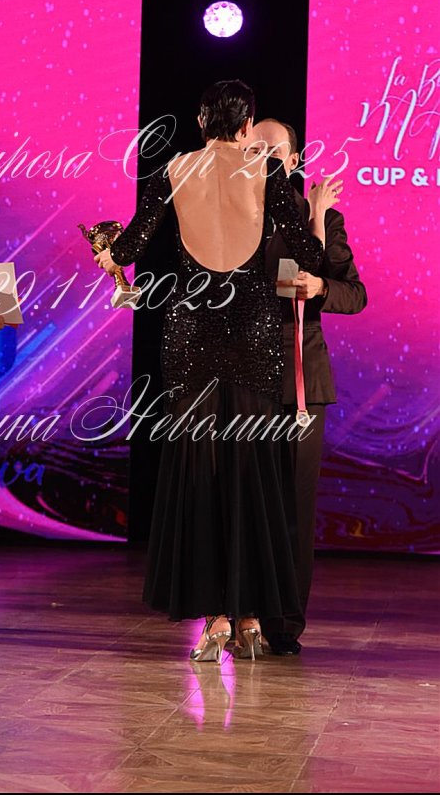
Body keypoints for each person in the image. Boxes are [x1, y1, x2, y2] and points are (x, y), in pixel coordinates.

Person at [95, 81, 340, 661]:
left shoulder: (173, 170)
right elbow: (310, 257)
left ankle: (215, 622)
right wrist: (318, 214)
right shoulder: (268, 172)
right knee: (252, 473)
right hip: (254, 335)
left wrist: (107, 251)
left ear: (201, 120)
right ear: (247, 122)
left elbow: (129, 247)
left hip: (193, 336)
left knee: (199, 472)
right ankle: (251, 617)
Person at [251, 118, 367, 655]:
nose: (262, 160)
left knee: (293, 506)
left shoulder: (320, 216)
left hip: (302, 377)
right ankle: (238, 613)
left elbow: (355, 294)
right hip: (241, 375)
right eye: (253, 150)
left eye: (273, 152)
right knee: (243, 497)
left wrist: (320, 286)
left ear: (294, 161)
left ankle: (283, 624)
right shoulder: (230, 217)